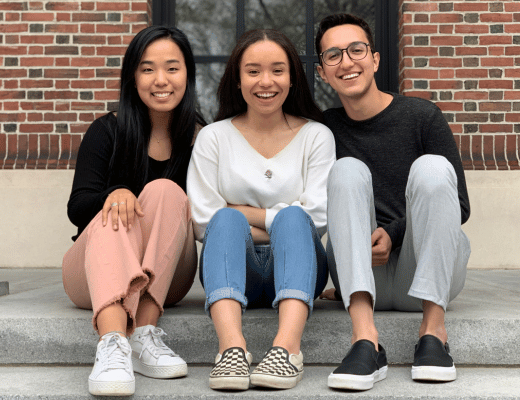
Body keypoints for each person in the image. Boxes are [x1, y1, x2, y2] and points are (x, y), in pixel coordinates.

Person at [315, 14, 471, 390]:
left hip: (427, 272)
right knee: (346, 170)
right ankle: (365, 340)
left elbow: (460, 205)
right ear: (322, 72)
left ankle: (434, 333)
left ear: (375, 59)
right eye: (333, 55)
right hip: (366, 276)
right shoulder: (323, 130)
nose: (347, 62)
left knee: (433, 168)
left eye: (356, 50)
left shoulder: (422, 116)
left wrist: (393, 233)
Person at [187, 29, 335, 391]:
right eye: (253, 71)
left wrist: (250, 217)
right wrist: (276, 224)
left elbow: (315, 217)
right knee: (226, 218)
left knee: (289, 218)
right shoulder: (214, 137)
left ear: (292, 78)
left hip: (303, 268)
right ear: (237, 80)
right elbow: (205, 220)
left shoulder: (317, 135)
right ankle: (231, 350)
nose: (265, 81)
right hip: (233, 267)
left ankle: (287, 349)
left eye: (277, 70)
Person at [62, 26, 205, 396]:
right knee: (116, 208)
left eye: (172, 68)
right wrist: (116, 192)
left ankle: (144, 334)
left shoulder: (203, 139)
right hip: (97, 273)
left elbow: (208, 214)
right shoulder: (106, 130)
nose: (161, 80)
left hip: (166, 273)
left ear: (188, 74)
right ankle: (112, 345)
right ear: (132, 76)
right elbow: (77, 208)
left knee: (166, 191)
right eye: (147, 69)